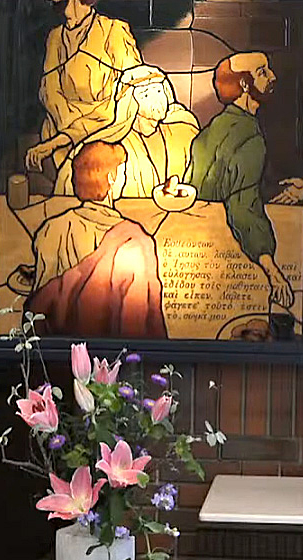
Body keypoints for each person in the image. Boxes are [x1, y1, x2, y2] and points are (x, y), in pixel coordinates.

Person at [184, 52, 298, 310]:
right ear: (245, 84)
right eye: (263, 72)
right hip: (230, 253)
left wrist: (283, 189)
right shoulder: (250, 139)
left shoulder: (213, 130)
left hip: (200, 252)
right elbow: (242, 206)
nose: (273, 77)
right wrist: (272, 270)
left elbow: (231, 184)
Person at [27, 141, 167, 338]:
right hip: (108, 352)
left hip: (59, 348)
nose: (125, 178)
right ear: (111, 178)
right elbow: (138, 325)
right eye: (123, 172)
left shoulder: (49, 230)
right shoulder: (135, 243)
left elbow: (39, 310)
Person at [26, 0, 142, 174]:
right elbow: (49, 92)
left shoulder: (114, 31)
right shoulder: (55, 37)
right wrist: (66, 135)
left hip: (108, 137)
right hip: (58, 137)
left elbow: (130, 95)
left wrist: (66, 137)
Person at [53, 65, 200, 198]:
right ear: (128, 106)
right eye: (145, 95)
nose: (157, 105)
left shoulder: (182, 132)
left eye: (159, 91)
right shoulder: (107, 150)